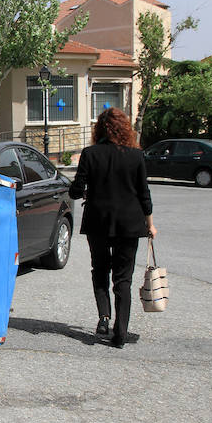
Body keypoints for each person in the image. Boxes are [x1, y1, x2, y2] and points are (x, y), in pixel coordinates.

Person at [69, 107, 157, 348]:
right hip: (129, 223)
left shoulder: (90, 154)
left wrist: (84, 190)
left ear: (99, 129)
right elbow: (143, 194)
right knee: (123, 278)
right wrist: (150, 224)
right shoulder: (136, 156)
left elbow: (76, 190)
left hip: (98, 221)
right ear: (124, 128)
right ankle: (120, 332)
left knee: (99, 269)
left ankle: (104, 317)